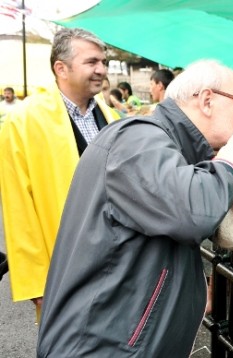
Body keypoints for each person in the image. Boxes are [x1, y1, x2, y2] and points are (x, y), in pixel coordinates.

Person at [37, 59, 233, 357]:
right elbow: (193, 212)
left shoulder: (157, 141)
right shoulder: (137, 138)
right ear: (206, 101)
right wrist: (228, 161)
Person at [0, 27, 118, 322]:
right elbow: (18, 209)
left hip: (116, 261)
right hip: (65, 267)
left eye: (102, 62)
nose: (101, 70)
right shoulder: (23, 121)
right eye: (92, 62)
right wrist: (37, 282)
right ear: (60, 68)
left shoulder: (109, 115)